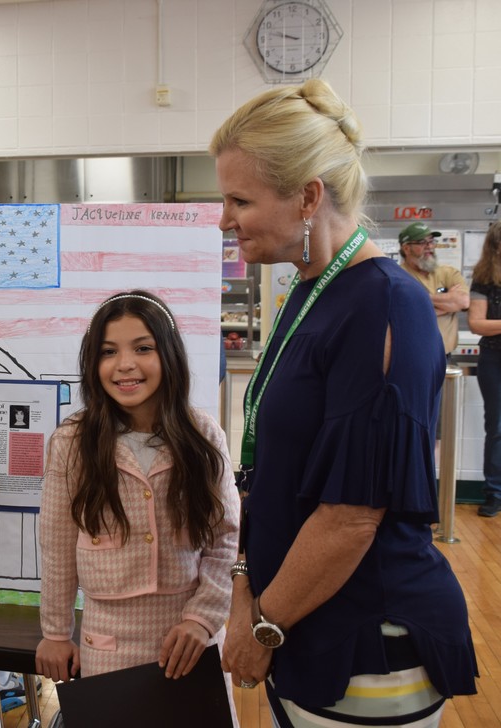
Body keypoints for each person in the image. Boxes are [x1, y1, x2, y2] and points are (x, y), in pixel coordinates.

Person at [211, 79, 478, 726]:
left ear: (308, 197)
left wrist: (263, 625)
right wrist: (246, 589)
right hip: (298, 619)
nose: (223, 219)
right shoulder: (311, 292)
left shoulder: (383, 304)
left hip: (365, 642)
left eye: (240, 200)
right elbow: (270, 474)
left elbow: (352, 517)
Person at [34, 292, 239, 695]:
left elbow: (225, 538)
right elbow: (57, 545)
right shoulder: (72, 442)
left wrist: (203, 618)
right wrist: (56, 632)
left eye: (143, 348)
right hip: (107, 640)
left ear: (169, 354)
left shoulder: (202, 434)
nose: (125, 364)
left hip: (191, 638)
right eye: (108, 352)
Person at [466, 220, 501, 518]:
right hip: (494, 359)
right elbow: (477, 323)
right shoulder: (484, 279)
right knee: (498, 427)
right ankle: (494, 493)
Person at [397, 221, 469, 356]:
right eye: (422, 242)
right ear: (406, 248)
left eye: (431, 241)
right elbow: (406, 314)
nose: (429, 246)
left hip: (445, 354)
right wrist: (447, 304)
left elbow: (463, 302)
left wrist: (421, 299)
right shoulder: (397, 276)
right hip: (411, 354)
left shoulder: (449, 273)